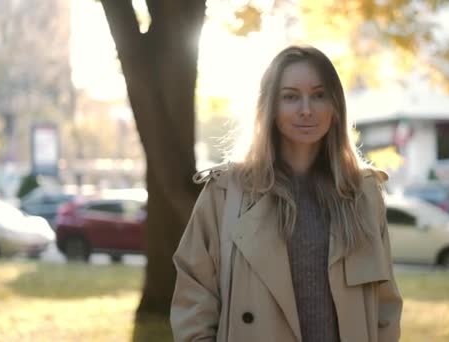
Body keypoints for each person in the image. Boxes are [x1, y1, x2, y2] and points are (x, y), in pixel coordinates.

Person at [170, 45, 402, 342]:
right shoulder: (226, 192)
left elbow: (386, 306)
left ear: (335, 106)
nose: (306, 109)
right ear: (270, 106)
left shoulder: (363, 194)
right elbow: (194, 296)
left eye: (319, 95)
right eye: (290, 97)